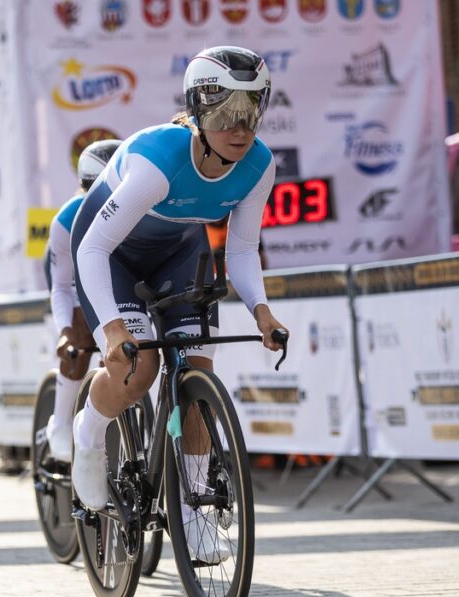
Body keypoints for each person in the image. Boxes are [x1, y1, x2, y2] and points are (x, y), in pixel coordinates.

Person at [70, 47, 287, 563]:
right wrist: (113, 330)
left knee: (197, 372)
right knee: (138, 369)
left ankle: (193, 515)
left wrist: (261, 311)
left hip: (179, 253)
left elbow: (241, 249)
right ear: (197, 110)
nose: (240, 129)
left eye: (250, 113)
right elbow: (93, 248)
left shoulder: (259, 165)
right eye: (226, 115)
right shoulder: (157, 161)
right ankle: (89, 430)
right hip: (112, 256)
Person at [43, 139, 120, 463]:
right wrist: (65, 332)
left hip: (114, 274)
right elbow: (61, 287)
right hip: (72, 280)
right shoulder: (66, 220)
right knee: (80, 333)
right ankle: (60, 423)